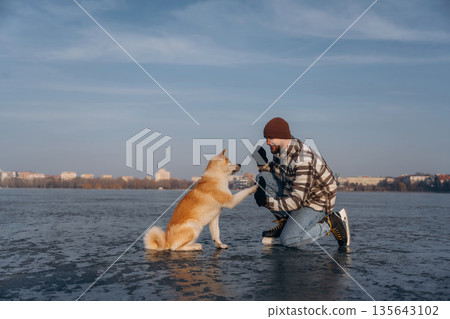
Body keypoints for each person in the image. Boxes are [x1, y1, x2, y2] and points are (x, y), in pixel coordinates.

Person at [252, 117, 350, 248]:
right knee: (261, 178)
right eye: (266, 139)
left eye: (270, 138)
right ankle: (285, 222)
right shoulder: (282, 150)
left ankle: (331, 222)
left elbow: (297, 201)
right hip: (297, 194)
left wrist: (266, 202)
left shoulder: (303, 159)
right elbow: (278, 174)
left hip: (316, 201)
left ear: (281, 137)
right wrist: (263, 165)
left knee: (289, 240)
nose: (268, 142)